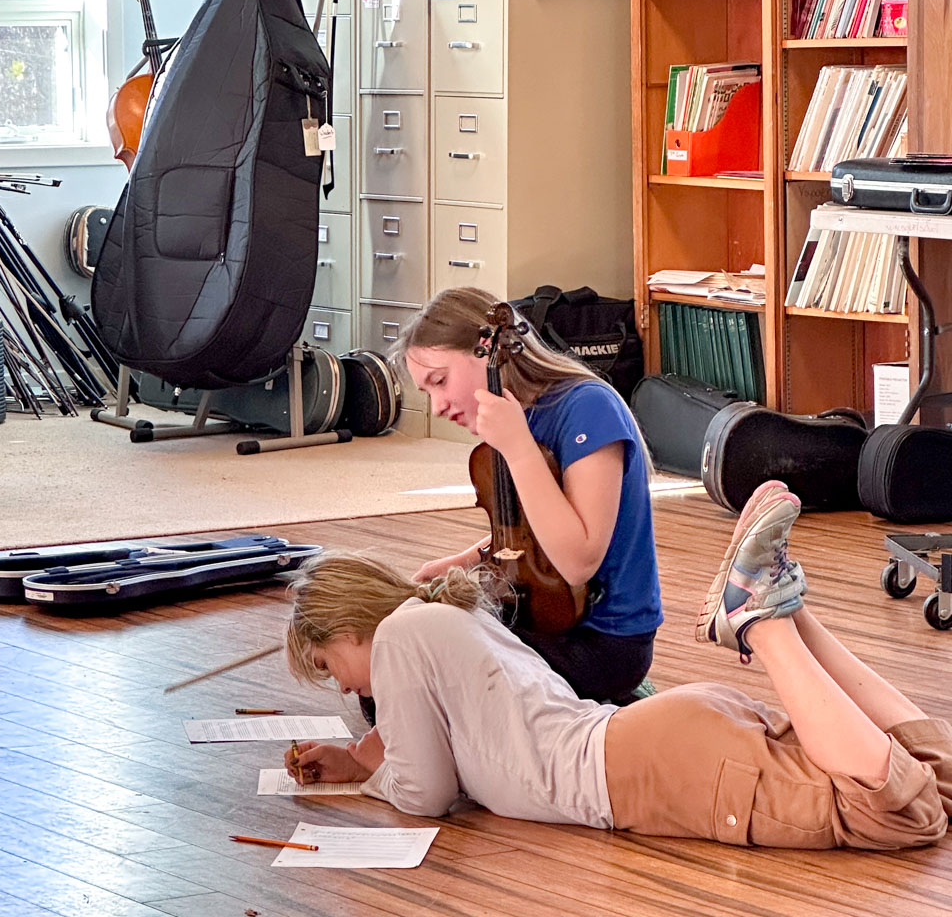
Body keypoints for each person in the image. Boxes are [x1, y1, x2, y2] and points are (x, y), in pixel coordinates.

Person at [283, 482, 952, 850]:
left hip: (659, 764)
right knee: (938, 783)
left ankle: (767, 622)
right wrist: (362, 757)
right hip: (667, 738)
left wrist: (372, 776)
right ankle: (785, 607)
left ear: (347, 627)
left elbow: (425, 793)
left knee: (900, 811)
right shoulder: (449, 614)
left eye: (327, 661)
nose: (342, 682)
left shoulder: (399, 637)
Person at [389, 285, 662, 708]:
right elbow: (529, 537)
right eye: (428, 393)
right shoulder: (517, 420)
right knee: (397, 662)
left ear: (486, 351)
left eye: (439, 381)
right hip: (539, 620)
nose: (438, 405)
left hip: (601, 644)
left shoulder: (588, 408)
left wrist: (519, 448)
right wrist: (462, 562)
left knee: (415, 681)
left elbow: (577, 561)